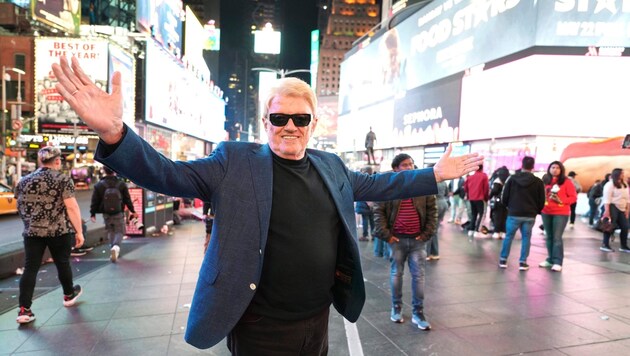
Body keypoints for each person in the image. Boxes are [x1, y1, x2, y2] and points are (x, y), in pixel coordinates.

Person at [51, 56, 483, 353]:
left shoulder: (331, 166)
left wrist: (434, 175)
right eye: (279, 118)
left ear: (313, 123)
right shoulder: (233, 161)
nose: (290, 127)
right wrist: (115, 134)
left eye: (300, 119)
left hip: (317, 318)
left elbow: (378, 184)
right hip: (258, 324)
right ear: (266, 122)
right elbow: (168, 174)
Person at [15, 146, 85, 324]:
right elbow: (71, 207)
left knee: (30, 268)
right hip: (58, 230)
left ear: (40, 161)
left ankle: (24, 310)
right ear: (57, 161)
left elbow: (20, 205)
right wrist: (79, 231)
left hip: (32, 231)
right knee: (62, 263)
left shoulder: (23, 180)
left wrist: (30, 222)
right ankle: (68, 295)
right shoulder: (62, 179)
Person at [373, 154, 437, 330]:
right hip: (396, 240)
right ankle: (396, 308)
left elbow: (433, 211)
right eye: (404, 164)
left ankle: (418, 313)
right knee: (396, 274)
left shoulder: (423, 186)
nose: (409, 167)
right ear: (396, 168)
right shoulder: (388, 187)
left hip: (418, 240)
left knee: (419, 277)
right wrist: (387, 236)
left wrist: (426, 234)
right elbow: (378, 212)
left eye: (411, 164)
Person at [498, 156, 545, 271]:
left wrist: (509, 207)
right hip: (529, 215)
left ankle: (503, 260)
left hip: (514, 213)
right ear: (533, 166)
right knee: (526, 238)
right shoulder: (538, 181)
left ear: (522, 165)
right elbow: (542, 199)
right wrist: (536, 210)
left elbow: (504, 196)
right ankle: (523, 263)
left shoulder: (512, 179)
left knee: (509, 236)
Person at [90, 166, 137, 263]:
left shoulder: (99, 185)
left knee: (110, 230)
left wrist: (92, 213)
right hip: (118, 211)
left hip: (106, 212)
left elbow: (95, 201)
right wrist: (132, 210)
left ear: (104, 171)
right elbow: (127, 199)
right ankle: (116, 247)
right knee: (120, 230)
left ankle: (112, 247)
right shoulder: (121, 184)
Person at [539, 161, 577, 272]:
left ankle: (557, 261)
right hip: (546, 212)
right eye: (552, 167)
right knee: (549, 237)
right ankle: (550, 259)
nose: (555, 169)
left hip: (561, 213)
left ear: (561, 170)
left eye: (557, 168)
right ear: (549, 169)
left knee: (557, 238)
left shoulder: (566, 182)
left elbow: (573, 198)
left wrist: (561, 200)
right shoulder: (545, 181)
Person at [600, 168, 629, 252]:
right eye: (621, 173)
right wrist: (607, 211)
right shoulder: (610, 184)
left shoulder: (624, 184)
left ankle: (623, 246)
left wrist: (627, 209)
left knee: (625, 226)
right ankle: (605, 244)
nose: (623, 175)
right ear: (617, 174)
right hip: (612, 206)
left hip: (622, 207)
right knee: (610, 225)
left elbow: (627, 198)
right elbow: (607, 199)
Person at [427, 169, 449, 260]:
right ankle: (434, 252)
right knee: (434, 230)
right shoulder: (443, 182)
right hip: (443, 203)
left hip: (434, 204)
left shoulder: (430, 181)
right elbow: (447, 193)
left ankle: (427, 253)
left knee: (429, 229)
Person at [463, 165, 489, 238]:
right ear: (482, 168)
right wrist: (486, 198)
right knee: (482, 214)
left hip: (471, 198)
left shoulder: (470, 177)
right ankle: (477, 231)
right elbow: (486, 188)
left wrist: (469, 195)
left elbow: (465, 187)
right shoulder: (484, 176)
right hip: (480, 198)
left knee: (474, 214)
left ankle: (471, 230)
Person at [489, 166, 510, 239]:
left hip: (498, 201)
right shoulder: (509, 180)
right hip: (507, 202)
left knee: (498, 217)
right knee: (505, 217)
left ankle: (496, 232)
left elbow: (494, 191)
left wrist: (490, 196)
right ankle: (503, 232)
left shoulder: (497, 180)